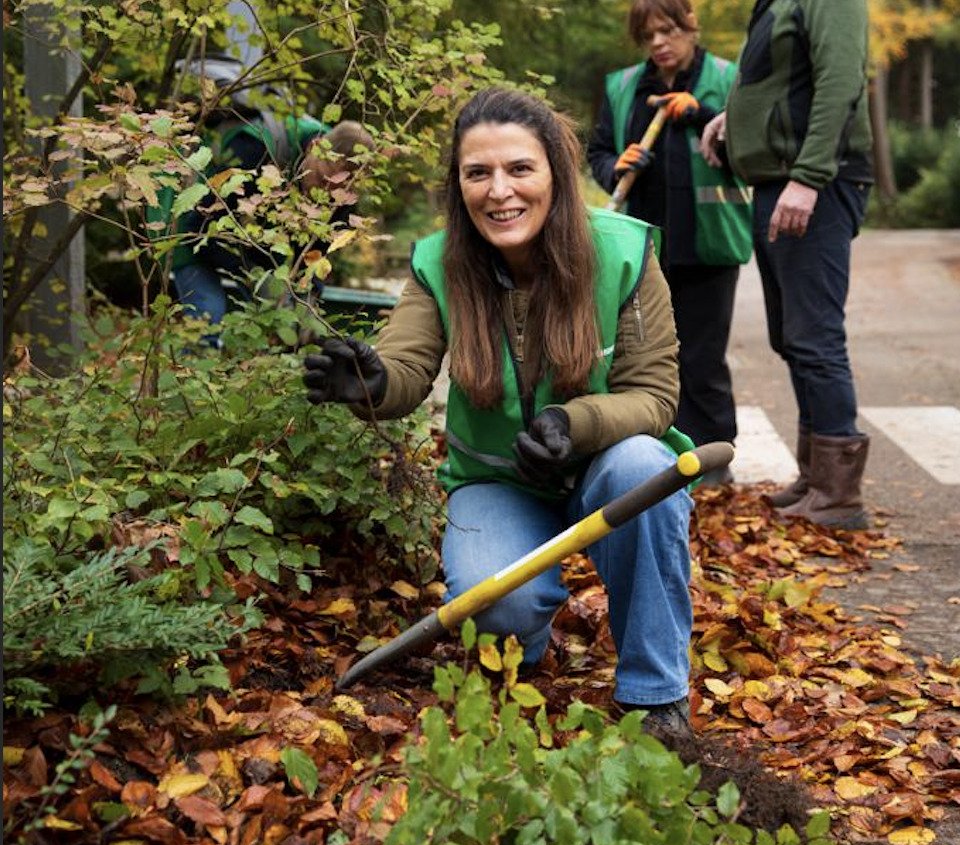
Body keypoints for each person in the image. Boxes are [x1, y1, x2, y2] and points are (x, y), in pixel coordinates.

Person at [303, 88, 698, 733]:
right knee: (498, 610)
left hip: (602, 468)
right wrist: (370, 383)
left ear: (556, 175)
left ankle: (656, 697)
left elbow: (654, 395)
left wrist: (576, 425)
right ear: (458, 186)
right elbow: (404, 367)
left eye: (520, 169)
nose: (499, 191)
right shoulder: (439, 262)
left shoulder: (625, 253)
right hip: (498, 485)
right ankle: (525, 634)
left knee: (646, 469)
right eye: (477, 173)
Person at [701, 0, 873, 529]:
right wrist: (738, 121)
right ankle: (815, 478)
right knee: (793, 336)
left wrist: (811, 175)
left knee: (816, 336)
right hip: (779, 179)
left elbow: (840, 80)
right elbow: (786, 83)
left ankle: (839, 496)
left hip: (814, 182)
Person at [587, 0, 752, 485]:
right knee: (643, 359)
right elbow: (598, 151)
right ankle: (654, 465)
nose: (659, 43)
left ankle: (714, 466)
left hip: (709, 244)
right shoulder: (622, 87)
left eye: (668, 31)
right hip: (640, 250)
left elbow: (750, 149)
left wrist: (702, 115)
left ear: (690, 27)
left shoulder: (727, 80)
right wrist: (616, 166)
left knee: (703, 359)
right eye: (648, 36)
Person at [165, 112, 373, 346]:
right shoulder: (255, 149)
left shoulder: (342, 189)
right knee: (208, 315)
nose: (326, 192)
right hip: (189, 217)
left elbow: (314, 253)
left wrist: (308, 300)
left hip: (250, 234)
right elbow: (198, 229)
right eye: (324, 179)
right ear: (315, 147)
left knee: (278, 322)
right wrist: (254, 276)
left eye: (338, 187)